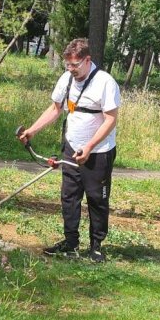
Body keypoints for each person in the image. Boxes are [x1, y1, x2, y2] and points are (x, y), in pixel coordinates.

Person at [18, 38, 120, 263]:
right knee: (69, 197)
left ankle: (96, 246)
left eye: (75, 65)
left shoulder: (105, 82)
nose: (71, 70)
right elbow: (55, 109)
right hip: (72, 148)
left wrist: (90, 146)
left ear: (87, 60)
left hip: (98, 152)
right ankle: (70, 242)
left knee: (97, 199)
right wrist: (32, 130)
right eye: (68, 65)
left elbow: (110, 120)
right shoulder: (66, 79)